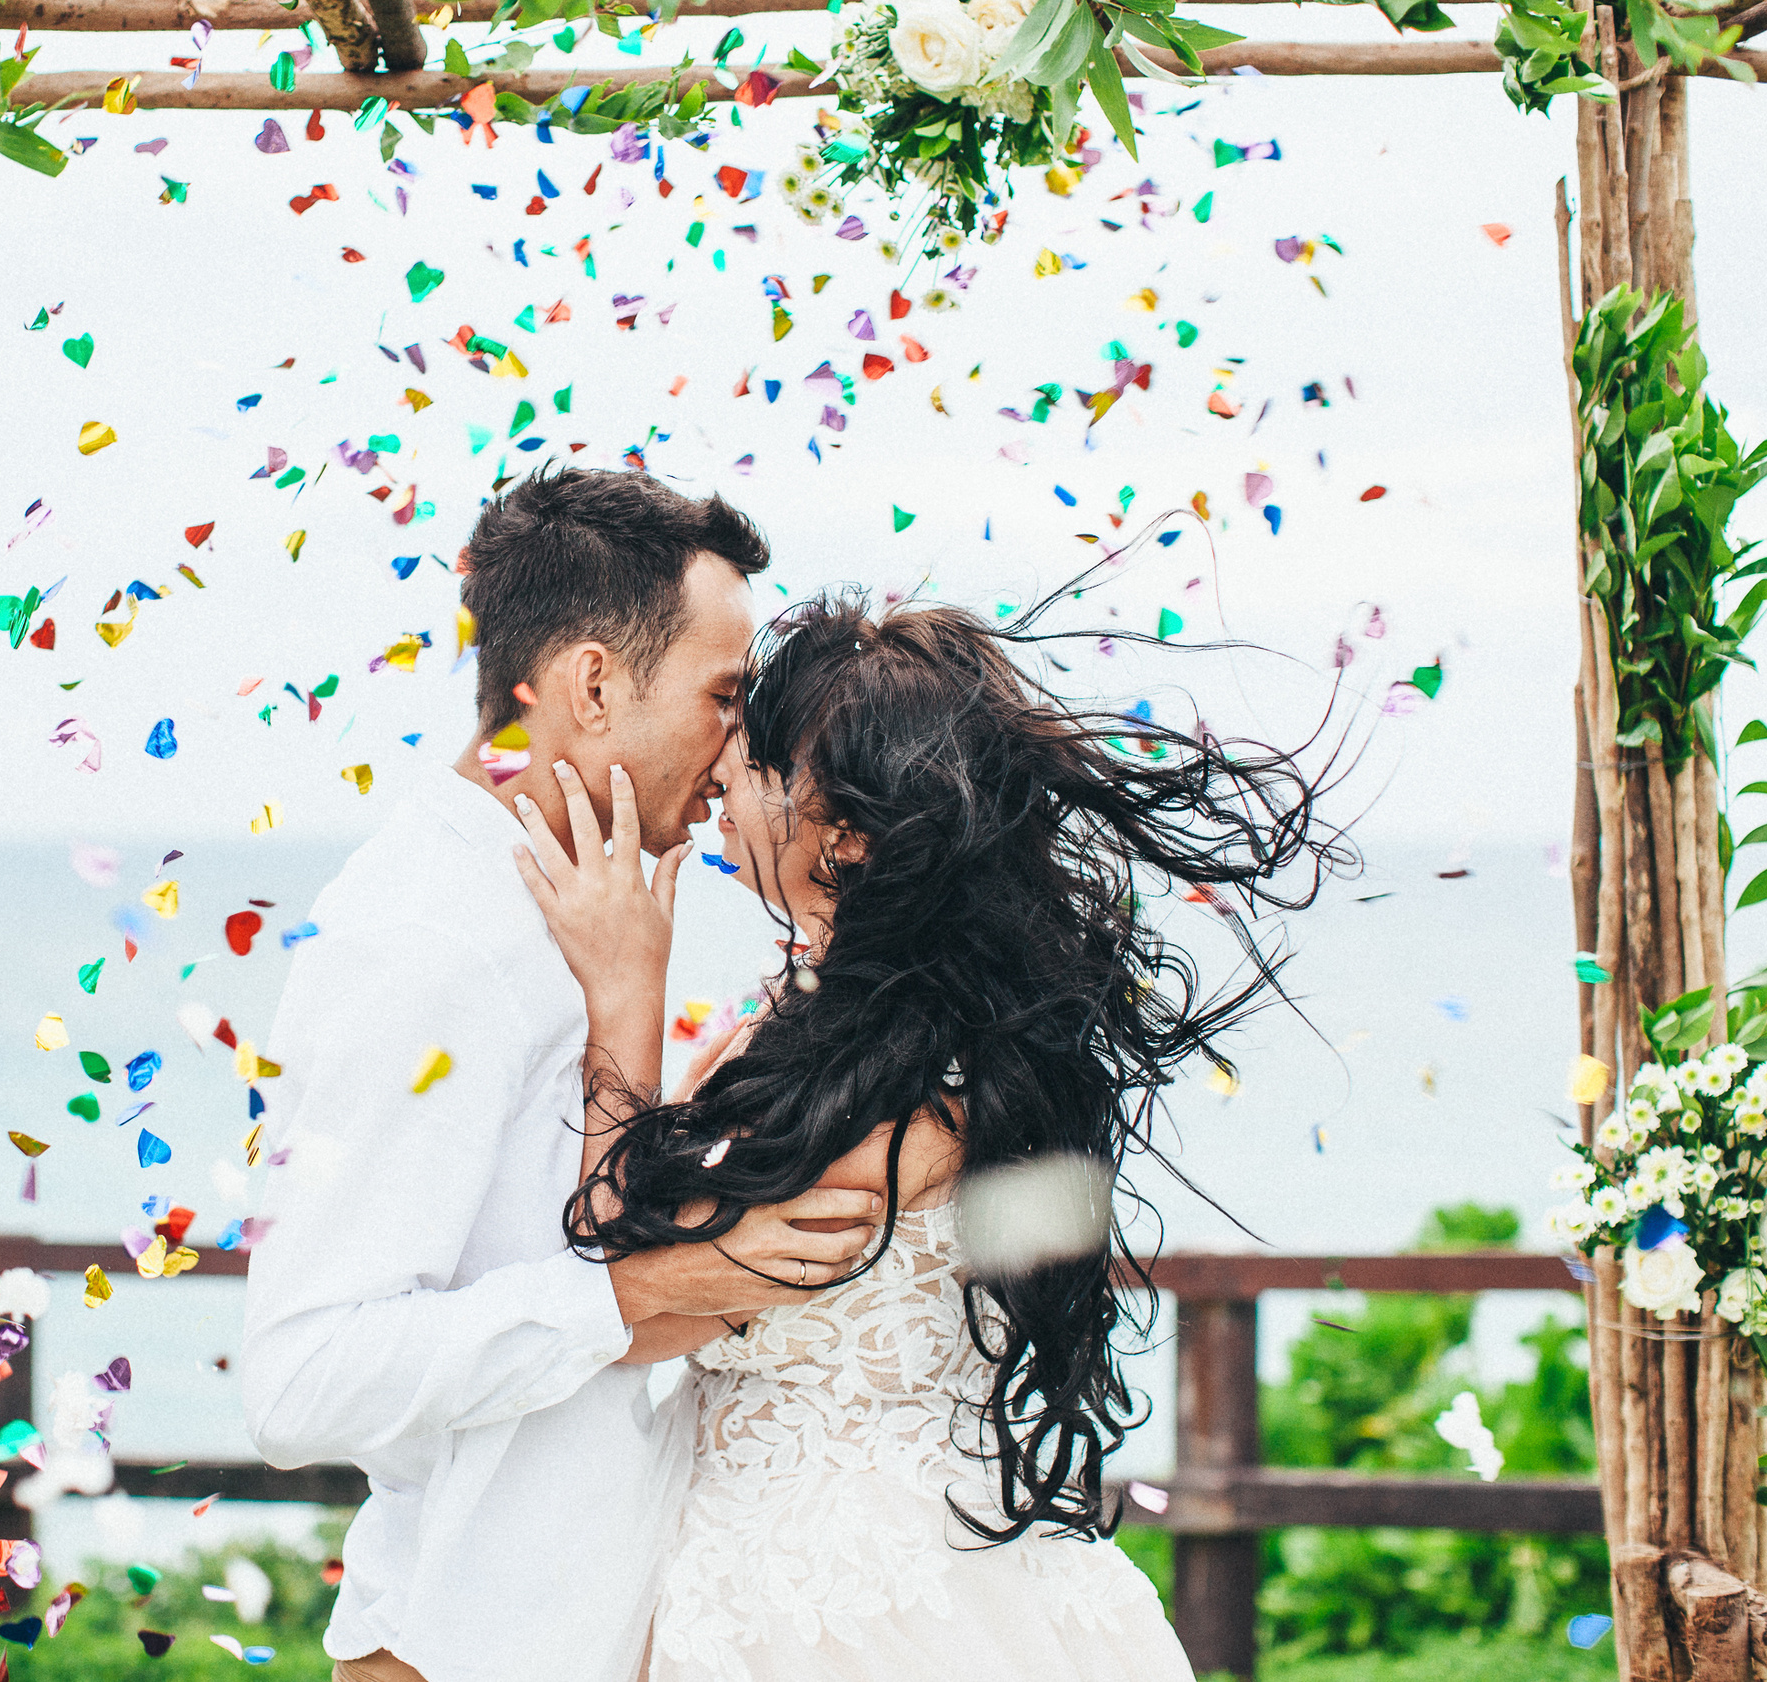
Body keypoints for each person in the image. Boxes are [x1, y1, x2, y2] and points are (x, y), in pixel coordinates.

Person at [515, 591, 1345, 1681]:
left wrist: (624, 994)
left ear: (847, 832)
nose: (722, 773)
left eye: (759, 764)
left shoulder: (917, 1099)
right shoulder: (828, 1026)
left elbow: (625, 1302)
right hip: (770, 1568)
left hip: (854, 1605)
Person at [240, 471, 890, 1682]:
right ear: (594, 687)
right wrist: (639, 1292)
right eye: (721, 696)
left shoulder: (567, 907)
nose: (741, 748)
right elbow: (303, 1379)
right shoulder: (429, 943)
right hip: (468, 1644)